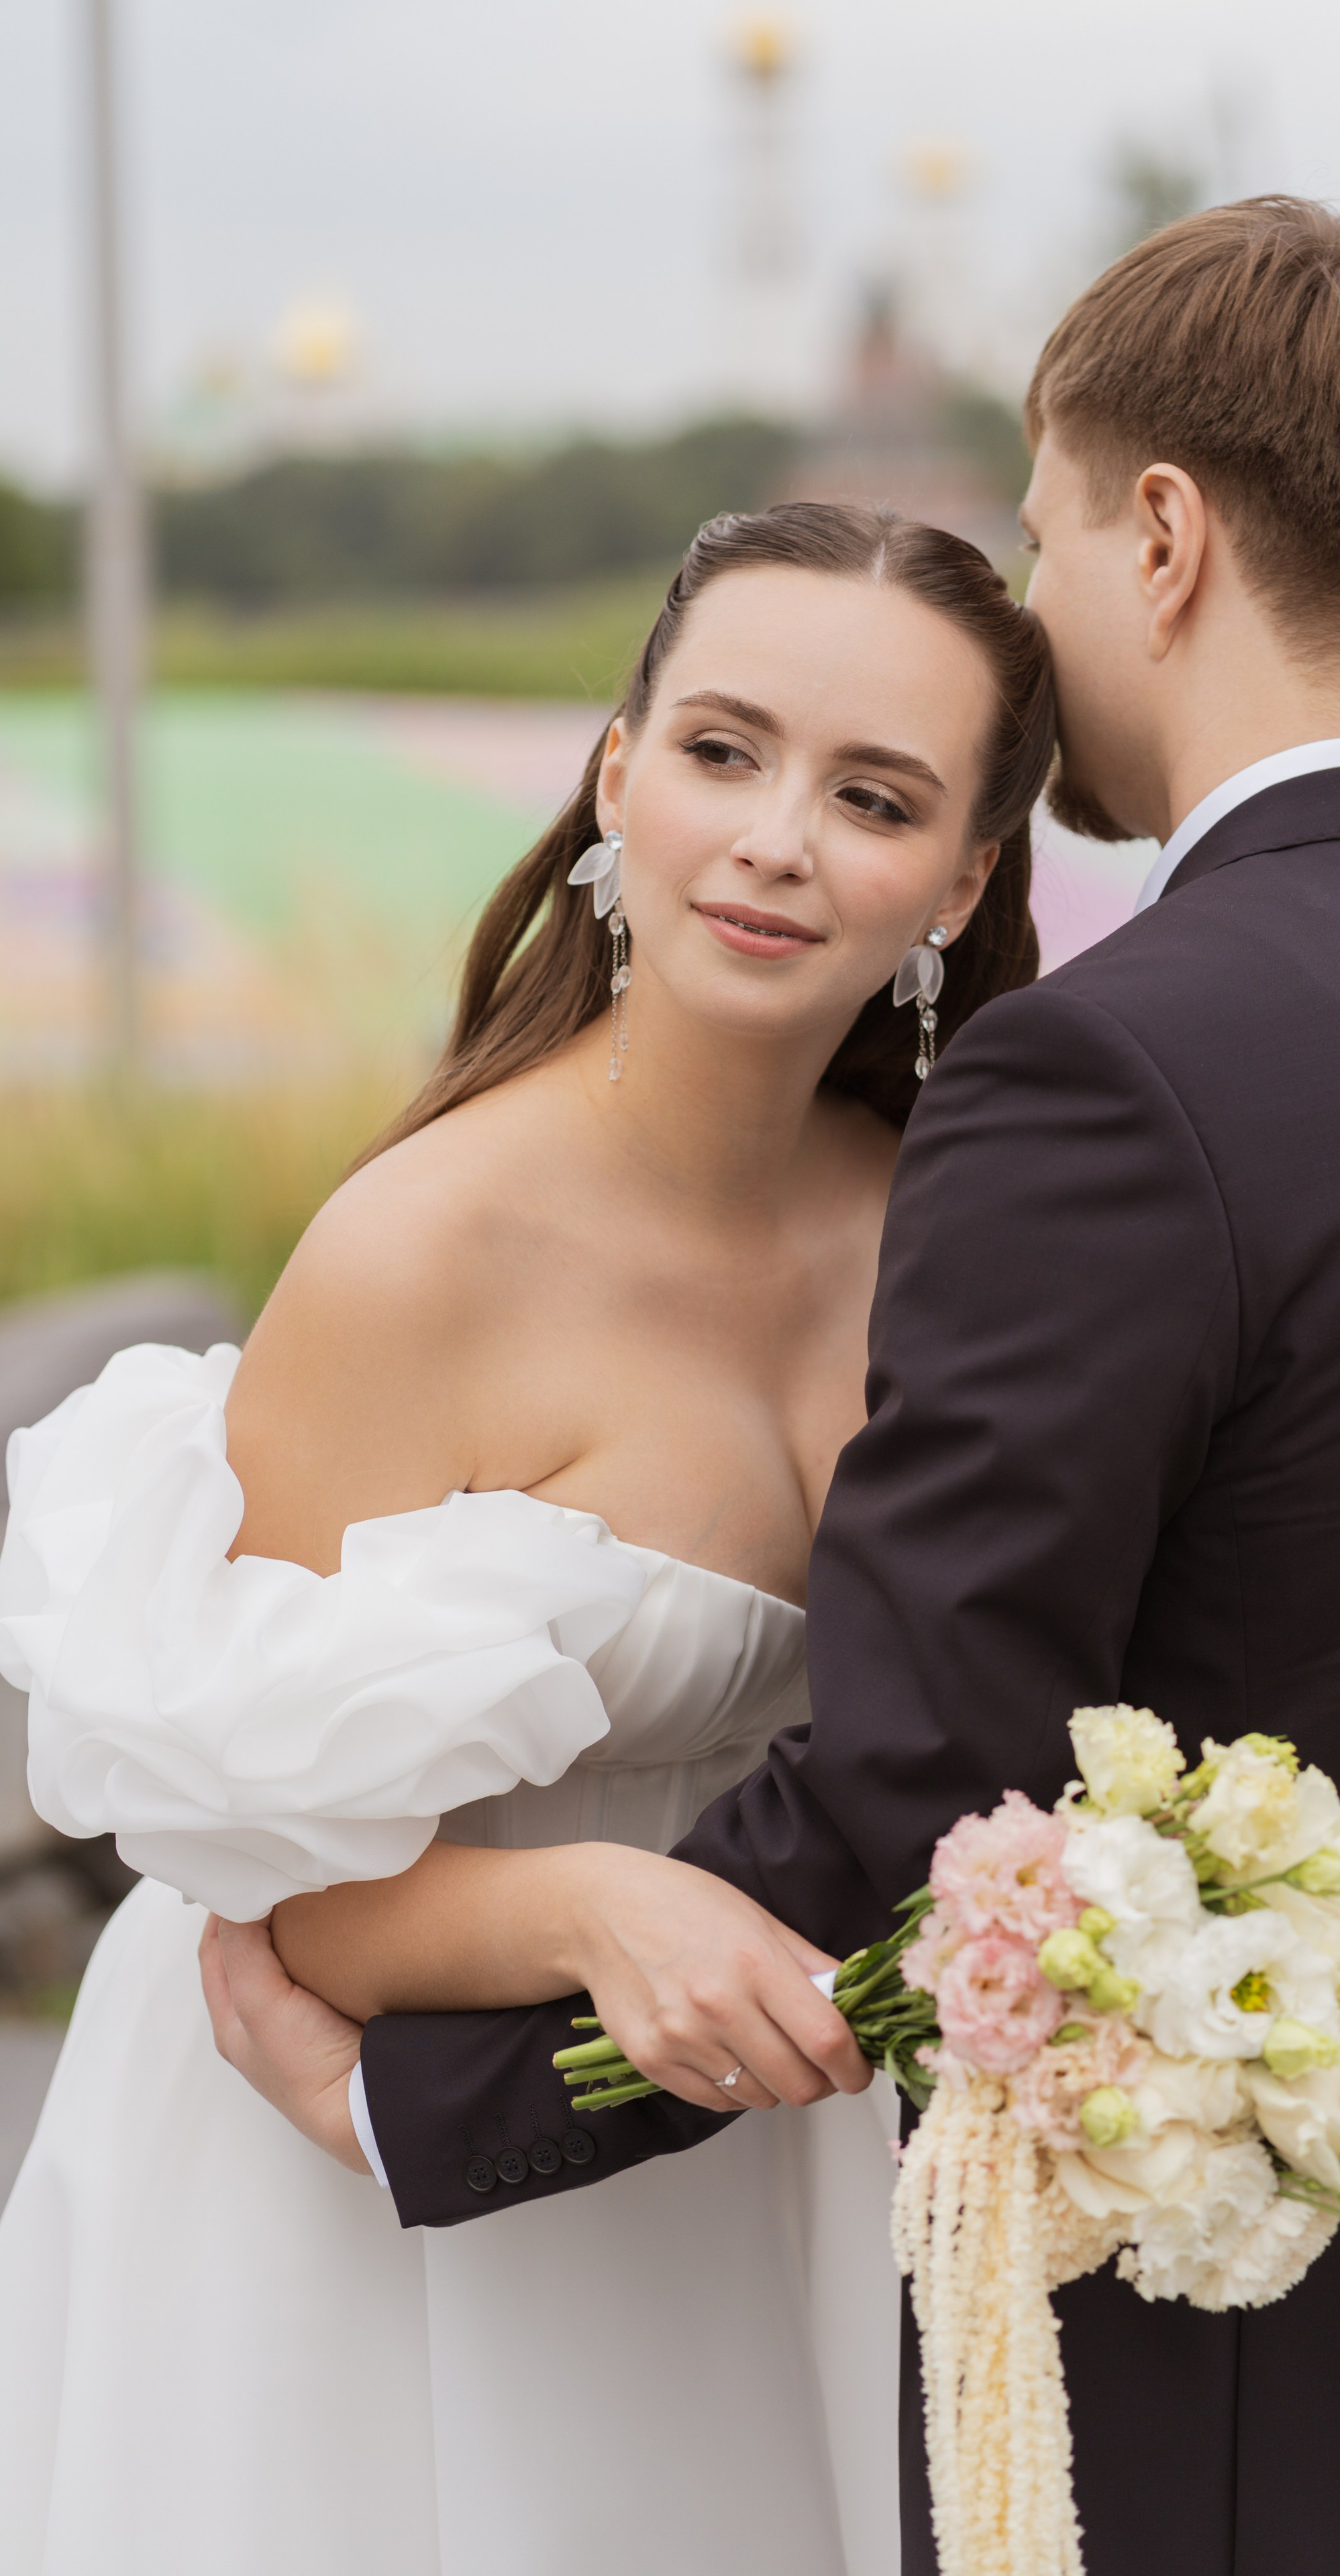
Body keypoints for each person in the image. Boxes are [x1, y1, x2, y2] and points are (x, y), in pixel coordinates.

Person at [207, 199, 1340, 2575]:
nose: (1031, 599)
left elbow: (934, 1781)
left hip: (1190, 2387)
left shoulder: (1118, 1072)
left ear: (1164, 534)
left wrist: (427, 2096)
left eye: (1035, 531)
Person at [0, 501, 1057, 2576]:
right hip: (356, 2177)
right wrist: (592, 1911)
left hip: (755, 2141)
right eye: (722, 751)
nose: (772, 838)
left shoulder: (960, 1229)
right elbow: (263, 1898)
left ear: (964, 877)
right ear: (613, 770)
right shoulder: (421, 1253)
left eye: (872, 796)